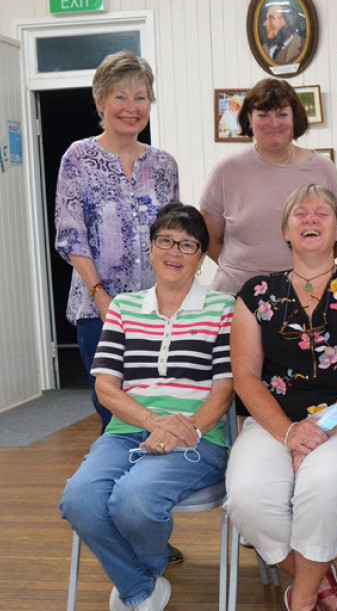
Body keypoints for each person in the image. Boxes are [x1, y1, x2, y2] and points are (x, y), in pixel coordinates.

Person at [224, 185, 337, 611]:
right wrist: (289, 433)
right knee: (246, 496)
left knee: (323, 482)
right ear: (285, 230)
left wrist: (319, 428)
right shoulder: (256, 294)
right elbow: (244, 377)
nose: (311, 220)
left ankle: (301, 599)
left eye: (322, 213)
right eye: (300, 214)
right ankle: (317, 580)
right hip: (274, 424)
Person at [60, 203, 235, 611]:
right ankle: (142, 582)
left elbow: (224, 391)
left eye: (188, 245)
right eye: (165, 241)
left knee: (133, 500)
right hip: (125, 431)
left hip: (197, 436)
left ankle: (137, 577)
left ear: (202, 256)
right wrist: (155, 422)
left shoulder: (222, 308)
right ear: (151, 248)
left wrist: (182, 431)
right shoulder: (124, 307)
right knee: (79, 499)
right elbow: (106, 387)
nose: (174, 252)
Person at [54, 51, 179, 434]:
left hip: (156, 311)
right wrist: (101, 297)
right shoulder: (78, 157)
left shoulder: (164, 164)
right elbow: (71, 234)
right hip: (99, 312)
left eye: (140, 97)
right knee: (114, 411)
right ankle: (119, 480)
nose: (131, 107)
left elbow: (174, 238)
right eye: (120, 97)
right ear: (100, 102)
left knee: (159, 400)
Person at [200, 77, 337, 297]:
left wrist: (307, 271)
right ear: (249, 119)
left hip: (307, 295)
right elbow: (209, 238)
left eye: (282, 114)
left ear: (295, 118)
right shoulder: (227, 170)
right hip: (237, 295)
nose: (273, 123)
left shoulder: (323, 169)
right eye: (263, 115)